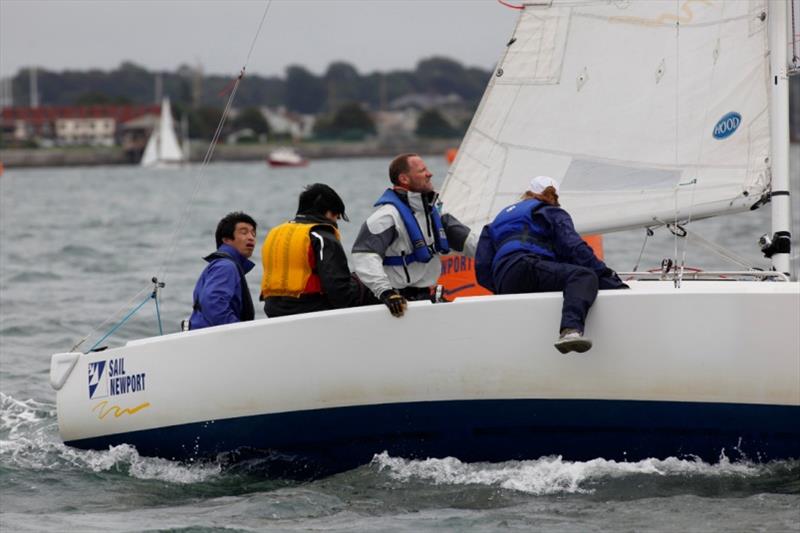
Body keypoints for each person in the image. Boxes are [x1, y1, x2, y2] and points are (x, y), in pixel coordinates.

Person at [475, 176, 628, 354]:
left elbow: (482, 270)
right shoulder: (550, 211)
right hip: (527, 266)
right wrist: (607, 277)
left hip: (504, 279)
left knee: (561, 275)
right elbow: (575, 248)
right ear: (555, 197)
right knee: (583, 276)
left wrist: (504, 288)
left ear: (527, 194)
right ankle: (570, 331)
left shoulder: (496, 221)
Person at [352, 153, 478, 317]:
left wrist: (503, 253)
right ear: (404, 179)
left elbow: (472, 244)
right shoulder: (386, 218)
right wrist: (386, 293)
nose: (429, 173)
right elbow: (364, 255)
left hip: (425, 298)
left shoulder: (436, 215)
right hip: (395, 304)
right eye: (422, 170)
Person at [260, 183, 378, 317]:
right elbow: (339, 290)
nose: (336, 222)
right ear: (329, 212)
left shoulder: (275, 233)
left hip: (273, 309)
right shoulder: (321, 236)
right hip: (310, 308)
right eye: (337, 216)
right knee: (370, 284)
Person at [189, 212, 257, 330]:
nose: (251, 237)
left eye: (253, 233)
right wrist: (238, 330)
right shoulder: (226, 266)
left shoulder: (223, 264)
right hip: (212, 341)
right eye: (244, 232)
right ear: (226, 239)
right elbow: (213, 301)